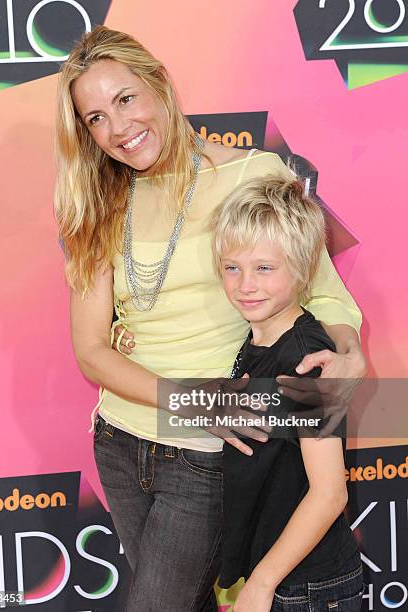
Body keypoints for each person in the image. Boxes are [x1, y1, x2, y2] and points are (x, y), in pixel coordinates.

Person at [54, 25, 365, 612]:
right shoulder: (95, 204)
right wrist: (192, 400)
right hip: (120, 444)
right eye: (95, 118)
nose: (118, 128)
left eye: (125, 99)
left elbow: (324, 293)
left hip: (209, 446)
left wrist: (349, 354)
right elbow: (92, 350)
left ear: (160, 84)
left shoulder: (254, 173)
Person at [211, 176, 363, 612]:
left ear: (301, 269)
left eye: (264, 268)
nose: (245, 285)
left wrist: (261, 584)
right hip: (282, 579)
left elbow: (329, 492)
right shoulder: (257, 341)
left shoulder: (306, 359)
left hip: (307, 589)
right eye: (231, 267)